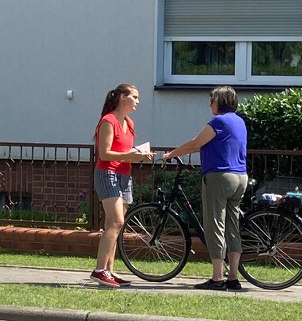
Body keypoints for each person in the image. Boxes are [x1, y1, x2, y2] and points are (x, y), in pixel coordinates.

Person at [163, 86, 248, 291]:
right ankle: (233, 278)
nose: (210, 104)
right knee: (232, 226)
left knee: (214, 225)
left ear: (222, 101)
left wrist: (170, 154)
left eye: (212, 100)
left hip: (220, 177)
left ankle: (217, 277)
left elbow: (195, 144)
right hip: (240, 176)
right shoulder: (239, 121)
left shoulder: (219, 121)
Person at [92, 84, 153, 288]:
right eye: (134, 97)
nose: (137, 101)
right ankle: (99, 270)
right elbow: (104, 153)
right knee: (117, 222)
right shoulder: (108, 121)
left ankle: (109, 270)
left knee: (115, 225)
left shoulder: (130, 123)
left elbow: (126, 152)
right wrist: (130, 155)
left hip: (124, 175)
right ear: (121, 98)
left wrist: (140, 155)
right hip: (107, 173)